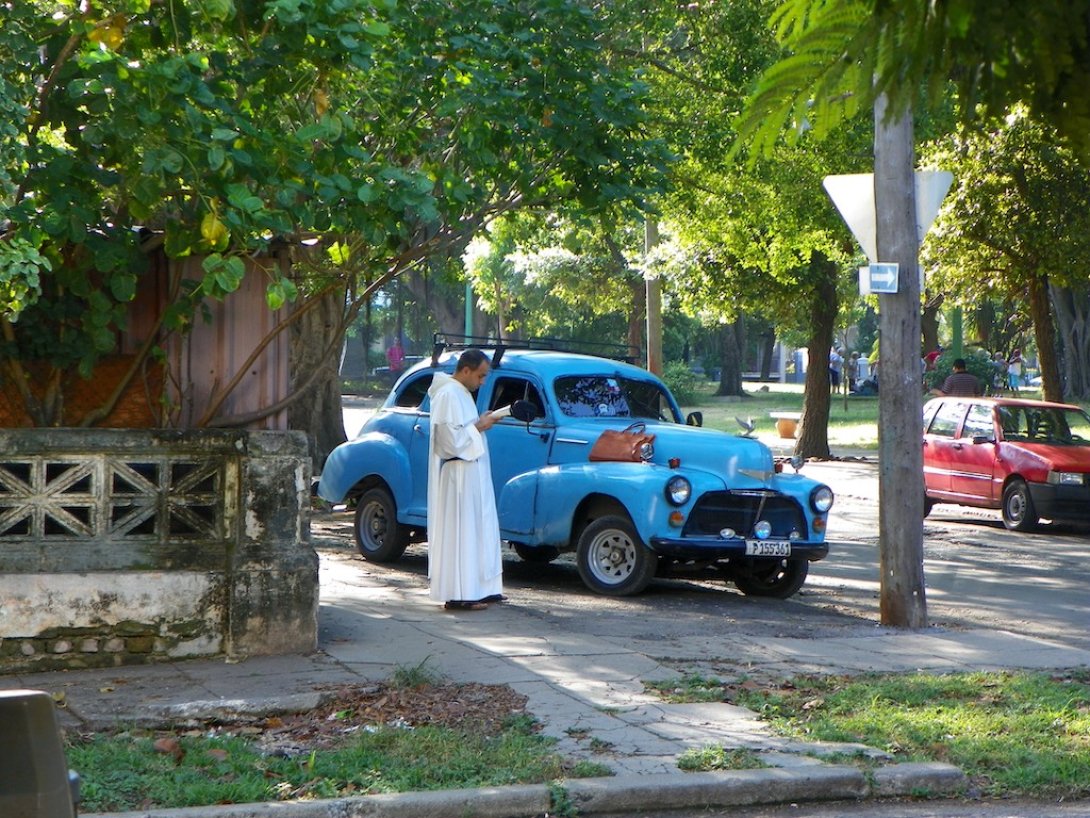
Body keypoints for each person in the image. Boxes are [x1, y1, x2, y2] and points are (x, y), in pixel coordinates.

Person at [426, 349, 505, 611]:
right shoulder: (449, 394)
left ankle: (482, 588)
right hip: (459, 474)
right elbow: (449, 441)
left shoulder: (461, 393)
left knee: (478, 529)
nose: (482, 383)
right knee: (462, 532)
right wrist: (479, 426)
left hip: (472, 473)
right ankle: (460, 594)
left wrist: (480, 423)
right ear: (466, 370)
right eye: (480, 376)